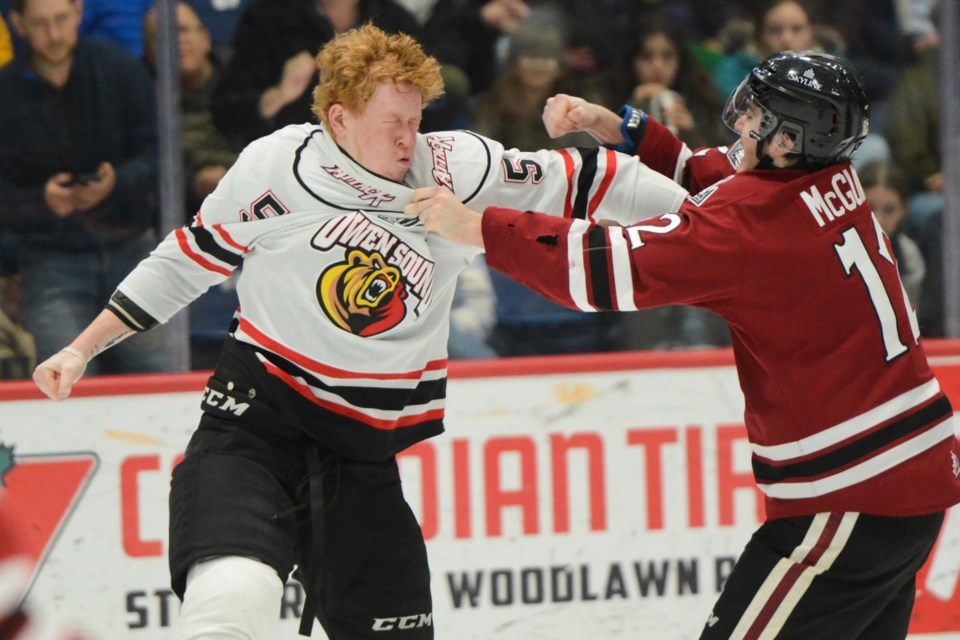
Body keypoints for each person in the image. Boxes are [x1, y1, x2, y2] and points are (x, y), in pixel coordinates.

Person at [31, 23, 687, 640]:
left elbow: (599, 180)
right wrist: (81, 348)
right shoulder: (276, 169)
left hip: (361, 457)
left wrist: (707, 213)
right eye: (392, 123)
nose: (410, 138)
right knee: (234, 599)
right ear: (338, 118)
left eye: (416, 118)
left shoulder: (456, 167)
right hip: (253, 428)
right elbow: (184, 259)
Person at [410, 50, 960, 638]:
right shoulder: (831, 179)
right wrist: (624, 129)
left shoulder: (747, 230)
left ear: (786, 139)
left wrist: (481, 228)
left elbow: (604, 268)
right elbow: (720, 175)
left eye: (758, 115)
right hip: (915, 479)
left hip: (851, 499)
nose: (743, 121)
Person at [0, 0, 168, 376]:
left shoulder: (120, 69)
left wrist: (117, 183)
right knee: (61, 379)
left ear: (78, 12)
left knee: (159, 372)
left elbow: (159, 152)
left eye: (61, 20)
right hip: (51, 258)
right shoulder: (5, 93)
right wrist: (40, 201)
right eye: (41, 24)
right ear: (19, 23)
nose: (54, 34)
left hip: (131, 249)